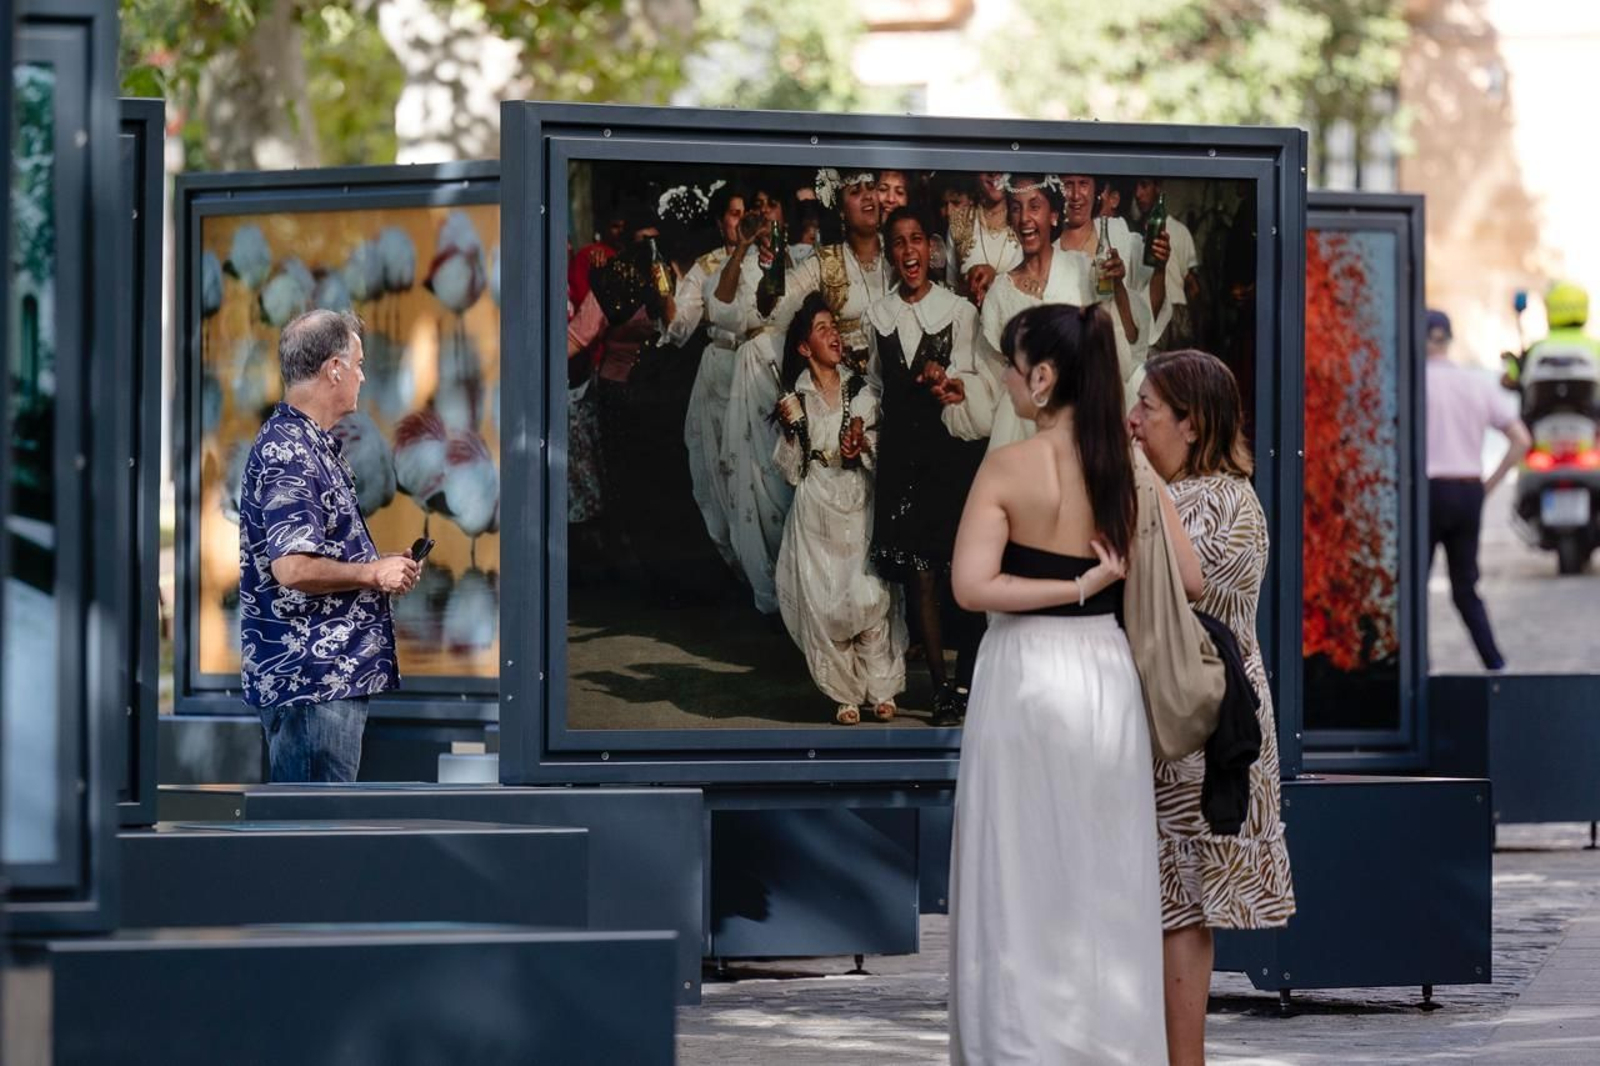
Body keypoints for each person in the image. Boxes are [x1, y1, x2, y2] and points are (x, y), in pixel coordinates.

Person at [948, 302, 1183, 1064]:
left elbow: (971, 587)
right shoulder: (1125, 463)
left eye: (1012, 365)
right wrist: (1097, 584)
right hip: (1104, 674)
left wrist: (1070, 586)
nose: (1005, 378)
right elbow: (1193, 577)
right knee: (1101, 864)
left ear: (1043, 378)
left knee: (1016, 867)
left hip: (1024, 670)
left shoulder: (1009, 466)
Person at [1127, 349, 1296, 1066]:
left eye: (1148, 410)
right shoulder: (1199, 492)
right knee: (1173, 904)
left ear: (1190, 425)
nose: (1133, 423)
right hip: (1185, 728)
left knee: (1180, 906)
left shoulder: (1216, 502)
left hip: (1197, 735)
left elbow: (1171, 590)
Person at [238, 309, 420, 782]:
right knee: (313, 836)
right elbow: (293, 568)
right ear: (333, 368)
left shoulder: (308, 444)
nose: (362, 375)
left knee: (318, 834)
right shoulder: (289, 451)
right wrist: (371, 574)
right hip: (312, 683)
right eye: (358, 363)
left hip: (321, 683)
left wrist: (380, 564)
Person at [866, 207, 993, 725]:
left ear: (931, 247)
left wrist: (950, 377)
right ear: (891, 253)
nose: (909, 251)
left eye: (916, 239)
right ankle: (941, 692)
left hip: (949, 455)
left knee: (960, 573)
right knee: (919, 577)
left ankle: (969, 679)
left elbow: (974, 376)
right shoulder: (879, 314)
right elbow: (876, 386)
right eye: (898, 243)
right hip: (902, 455)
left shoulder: (959, 311)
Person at [773, 294, 906, 724]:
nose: (833, 334)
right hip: (817, 505)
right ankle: (845, 693)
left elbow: (883, 445)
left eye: (835, 326)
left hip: (856, 497)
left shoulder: (860, 388)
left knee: (868, 596)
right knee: (830, 603)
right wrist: (793, 434)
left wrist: (863, 442)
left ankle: (882, 687)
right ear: (804, 348)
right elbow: (792, 472)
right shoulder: (800, 396)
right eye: (822, 329)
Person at [1425, 309, 1530, 670]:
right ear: (1448, 339)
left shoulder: (1412, 383)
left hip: (1426, 491)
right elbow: (1520, 439)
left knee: (1410, 588)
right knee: (1465, 587)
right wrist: (1489, 484)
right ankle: (1496, 665)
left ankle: (1416, 671)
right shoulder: (1474, 383)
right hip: (1468, 489)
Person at [1128, 177, 1202, 352]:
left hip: (1176, 312)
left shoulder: (1179, 231)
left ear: (1158, 188)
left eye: (1144, 185)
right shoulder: (1132, 235)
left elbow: (1193, 286)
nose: (1138, 194)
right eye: (1135, 187)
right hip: (1148, 311)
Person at [946, 171, 1022, 307]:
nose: (994, 172)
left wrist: (995, 280)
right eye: (987, 162)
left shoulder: (1024, 220)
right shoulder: (959, 222)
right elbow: (951, 289)